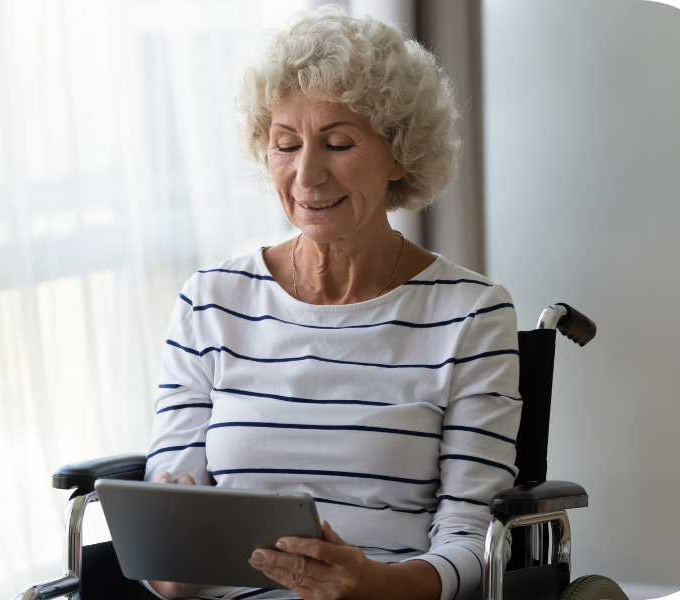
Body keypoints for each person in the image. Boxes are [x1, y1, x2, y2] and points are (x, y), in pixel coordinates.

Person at [144, 5, 520, 600]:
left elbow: (473, 539)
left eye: (338, 143)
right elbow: (169, 555)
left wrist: (375, 584)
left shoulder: (470, 314)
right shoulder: (210, 302)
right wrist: (168, 551)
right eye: (285, 144)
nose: (306, 174)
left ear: (400, 152)